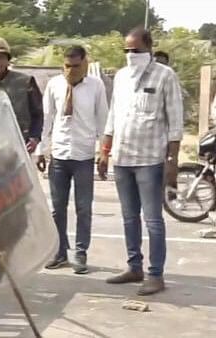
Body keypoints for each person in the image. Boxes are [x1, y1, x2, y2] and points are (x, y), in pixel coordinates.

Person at [99, 28, 184, 295]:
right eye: (126, 50)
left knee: (153, 220)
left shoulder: (165, 76)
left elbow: (175, 122)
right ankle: (134, 266)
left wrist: (172, 159)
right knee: (128, 217)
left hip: (150, 159)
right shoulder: (122, 77)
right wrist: (105, 149)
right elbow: (113, 115)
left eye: (135, 50)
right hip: (122, 157)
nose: (130, 55)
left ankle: (156, 275)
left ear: (149, 48)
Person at [36, 46, 109, 274]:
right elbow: (46, 119)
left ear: (84, 64)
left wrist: (103, 153)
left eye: (76, 66)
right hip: (59, 155)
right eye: (67, 66)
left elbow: (102, 121)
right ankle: (59, 253)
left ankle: (80, 253)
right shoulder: (55, 85)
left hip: (84, 156)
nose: (71, 70)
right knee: (57, 208)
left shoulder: (96, 86)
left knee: (83, 208)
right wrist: (41, 149)